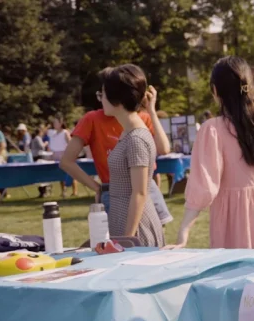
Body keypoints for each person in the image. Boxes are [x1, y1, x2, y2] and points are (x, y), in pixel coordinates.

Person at [171, 56, 254, 253]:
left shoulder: (213, 130)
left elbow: (204, 187)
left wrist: (183, 232)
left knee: (240, 280)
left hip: (237, 220)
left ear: (215, 91)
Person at [60, 69, 172, 223]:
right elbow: (66, 161)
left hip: (146, 188)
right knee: (121, 242)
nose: (102, 99)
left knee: (152, 241)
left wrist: (151, 111)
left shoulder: (140, 118)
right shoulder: (92, 119)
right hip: (114, 191)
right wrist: (97, 187)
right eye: (101, 94)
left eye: (104, 94)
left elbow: (164, 149)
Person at [98, 65, 164, 247]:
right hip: (123, 221)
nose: (101, 99)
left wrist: (127, 240)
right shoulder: (128, 132)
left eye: (102, 94)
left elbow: (140, 192)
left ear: (116, 100)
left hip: (136, 228)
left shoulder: (136, 138)